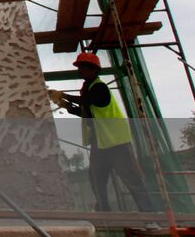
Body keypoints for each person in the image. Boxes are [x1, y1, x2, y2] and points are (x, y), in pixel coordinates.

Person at [52, 52, 158, 212]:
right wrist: (69, 107)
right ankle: (104, 210)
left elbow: (90, 101)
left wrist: (64, 95)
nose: (80, 71)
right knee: (96, 179)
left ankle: (149, 212)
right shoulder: (87, 88)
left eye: (83, 68)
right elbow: (88, 111)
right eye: (80, 68)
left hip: (117, 141)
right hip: (100, 142)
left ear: (94, 70)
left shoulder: (99, 87)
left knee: (131, 178)